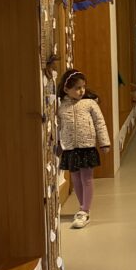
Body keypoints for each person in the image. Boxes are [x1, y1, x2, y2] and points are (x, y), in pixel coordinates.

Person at [56, 69, 111, 229]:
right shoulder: (61, 107)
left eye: (83, 87)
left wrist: (104, 143)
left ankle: (85, 210)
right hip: (70, 148)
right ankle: (82, 209)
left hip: (87, 146)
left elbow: (100, 123)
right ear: (66, 89)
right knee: (75, 179)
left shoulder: (90, 104)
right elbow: (58, 127)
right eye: (77, 88)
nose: (81, 91)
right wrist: (58, 145)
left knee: (86, 178)